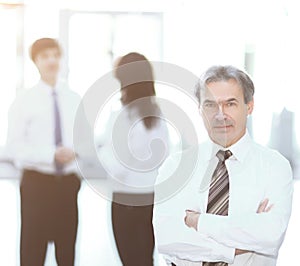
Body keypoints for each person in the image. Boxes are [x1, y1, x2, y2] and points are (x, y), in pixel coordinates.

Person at [153, 65, 293, 266]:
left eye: (230, 104)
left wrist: (198, 222)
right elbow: (167, 239)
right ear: (200, 110)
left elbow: (270, 235)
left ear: (249, 106)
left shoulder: (275, 167)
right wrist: (245, 237)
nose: (220, 115)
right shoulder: (175, 166)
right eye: (210, 105)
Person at [6, 38, 82, 266]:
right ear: (35, 61)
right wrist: (50, 154)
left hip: (67, 184)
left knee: (66, 251)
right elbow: (14, 147)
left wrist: (75, 152)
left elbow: (83, 139)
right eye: (45, 56)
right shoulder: (24, 101)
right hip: (36, 185)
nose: (51, 61)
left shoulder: (74, 99)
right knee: (32, 252)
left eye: (55, 55)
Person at [97, 52, 169, 266]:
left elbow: (117, 167)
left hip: (125, 200)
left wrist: (98, 154)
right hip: (150, 198)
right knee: (145, 258)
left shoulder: (123, 116)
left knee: (130, 260)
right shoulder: (157, 114)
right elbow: (161, 156)